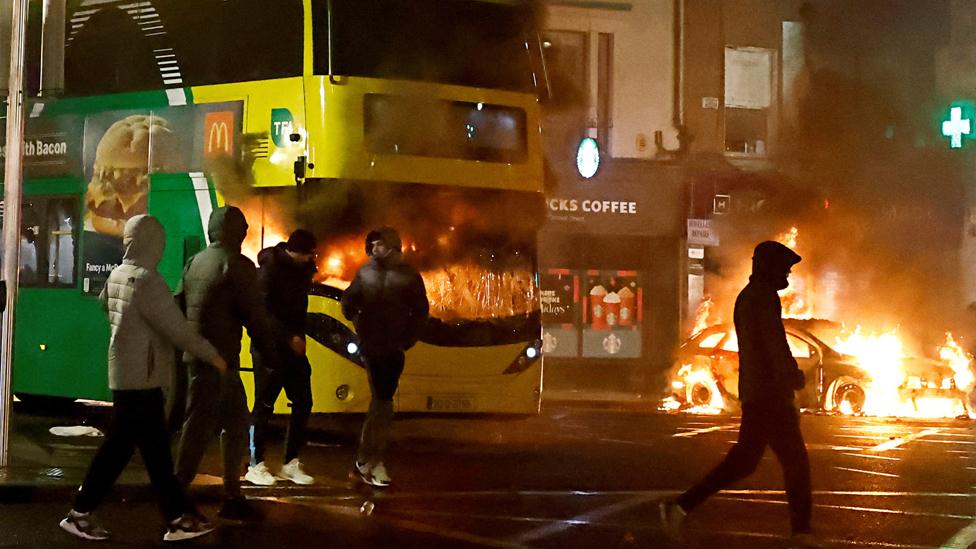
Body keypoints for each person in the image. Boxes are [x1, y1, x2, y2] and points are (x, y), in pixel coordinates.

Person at [59, 215, 226, 543]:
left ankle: (174, 517)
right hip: (143, 377)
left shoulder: (119, 273)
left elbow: (104, 304)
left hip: (125, 372)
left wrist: (130, 332)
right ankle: (84, 513)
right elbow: (178, 329)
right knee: (138, 452)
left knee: (142, 450)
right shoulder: (147, 280)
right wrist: (213, 356)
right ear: (153, 244)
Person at [659, 241, 822, 549]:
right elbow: (775, 344)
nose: (787, 274)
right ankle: (801, 532)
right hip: (770, 395)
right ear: (768, 267)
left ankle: (680, 506)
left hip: (759, 392)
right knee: (794, 461)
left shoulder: (751, 297)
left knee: (745, 461)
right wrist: (793, 375)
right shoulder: (762, 298)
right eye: (784, 268)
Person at [174, 206, 274, 520]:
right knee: (204, 426)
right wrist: (270, 354)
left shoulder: (195, 262)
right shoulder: (237, 264)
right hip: (220, 360)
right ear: (237, 232)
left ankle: (230, 493)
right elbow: (255, 317)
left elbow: (178, 303)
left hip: (200, 356)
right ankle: (180, 494)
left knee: (228, 422)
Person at [341, 227, 429, 487]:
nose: (375, 249)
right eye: (373, 245)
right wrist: (362, 327)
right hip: (373, 347)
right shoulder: (365, 273)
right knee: (383, 403)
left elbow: (421, 311)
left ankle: (366, 460)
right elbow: (348, 303)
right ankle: (371, 460)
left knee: (382, 403)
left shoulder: (409, 276)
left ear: (392, 246)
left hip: (393, 348)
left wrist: (407, 339)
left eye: (380, 244)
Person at [246, 229, 318, 486]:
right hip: (269, 348)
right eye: (309, 254)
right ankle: (256, 465)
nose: (311, 259)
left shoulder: (301, 271)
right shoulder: (270, 270)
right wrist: (290, 337)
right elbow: (262, 313)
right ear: (296, 251)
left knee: (303, 401)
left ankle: (291, 462)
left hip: (292, 349)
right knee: (264, 405)